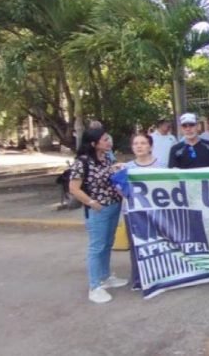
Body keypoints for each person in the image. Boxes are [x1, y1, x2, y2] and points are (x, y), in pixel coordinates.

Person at [67, 127, 128, 303]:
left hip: (114, 205)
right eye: (105, 139)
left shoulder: (108, 158)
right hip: (97, 210)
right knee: (97, 246)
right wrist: (91, 202)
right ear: (94, 143)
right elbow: (74, 188)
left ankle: (105, 276)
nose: (109, 142)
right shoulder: (82, 162)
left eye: (109, 138)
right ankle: (94, 286)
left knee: (108, 243)